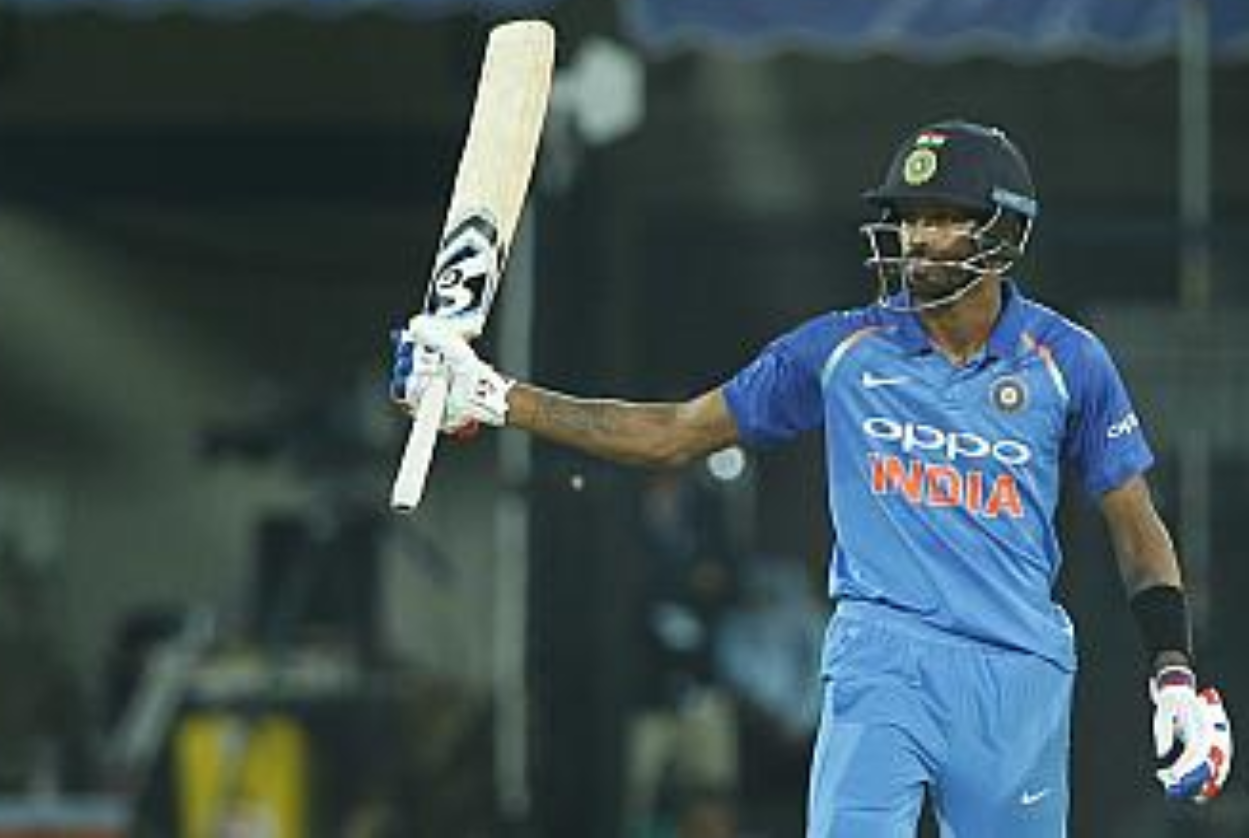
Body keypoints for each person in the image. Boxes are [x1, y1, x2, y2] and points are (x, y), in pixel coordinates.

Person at [391, 121, 1233, 836]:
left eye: (944, 217)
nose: (918, 238)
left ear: (1002, 231)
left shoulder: (1069, 362)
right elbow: (672, 433)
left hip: (1018, 674)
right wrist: (498, 397)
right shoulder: (839, 351)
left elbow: (1136, 524)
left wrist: (1172, 672)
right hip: (881, 657)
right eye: (909, 218)